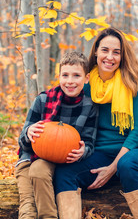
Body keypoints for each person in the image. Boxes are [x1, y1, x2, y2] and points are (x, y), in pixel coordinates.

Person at [53, 27, 138, 219]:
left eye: (116, 52)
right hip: (100, 153)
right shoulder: (83, 83)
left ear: (122, 56)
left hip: (137, 151)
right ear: (96, 52)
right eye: (105, 50)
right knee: (64, 173)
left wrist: (112, 169)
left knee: (127, 165)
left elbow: (137, 132)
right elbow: (59, 108)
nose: (109, 57)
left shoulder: (132, 84)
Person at [15, 51, 98, 219]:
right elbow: (23, 142)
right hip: (30, 157)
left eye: (76, 75)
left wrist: (83, 151)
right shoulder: (43, 100)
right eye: (65, 75)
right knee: (28, 207)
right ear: (59, 76)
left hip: (62, 161)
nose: (70, 81)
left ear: (86, 78)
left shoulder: (90, 106)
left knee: (39, 171)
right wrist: (28, 133)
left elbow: (89, 142)